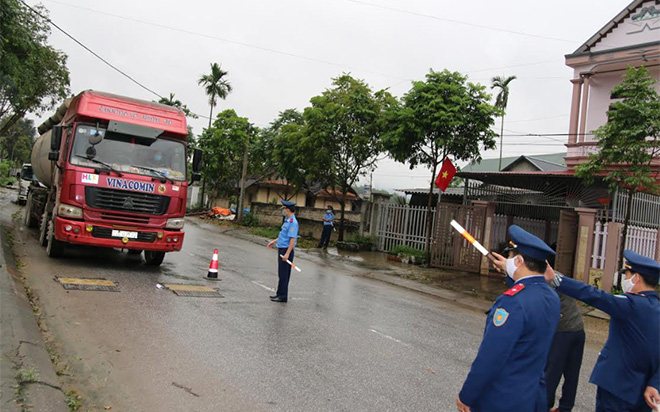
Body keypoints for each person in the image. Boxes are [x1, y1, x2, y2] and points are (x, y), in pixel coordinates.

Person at [457, 225, 560, 412]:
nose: (508, 261)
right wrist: (510, 271)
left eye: (511, 257)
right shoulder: (551, 297)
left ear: (519, 260)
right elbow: (529, 286)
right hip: (532, 396)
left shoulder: (512, 303)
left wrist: (467, 395)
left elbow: (491, 356)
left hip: (502, 399)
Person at [545, 250, 660, 412]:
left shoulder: (631, 304)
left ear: (637, 278)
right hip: (641, 392)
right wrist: (655, 384)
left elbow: (593, 295)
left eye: (627, 275)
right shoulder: (656, 308)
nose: (625, 280)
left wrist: (557, 279)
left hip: (616, 389)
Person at [544, 247, 585, 412]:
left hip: (564, 331)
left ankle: (544, 405)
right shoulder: (558, 276)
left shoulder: (545, 279)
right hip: (578, 329)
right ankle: (566, 407)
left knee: (552, 370)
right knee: (571, 373)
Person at [266, 200, 299, 303]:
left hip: (286, 250)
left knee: (284, 274)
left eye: (284, 208)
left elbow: (292, 239)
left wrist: (287, 254)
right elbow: (283, 235)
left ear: (287, 210)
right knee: (281, 273)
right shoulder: (287, 220)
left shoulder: (293, 222)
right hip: (282, 248)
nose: (283, 210)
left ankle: (283, 296)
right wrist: (274, 242)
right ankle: (279, 294)